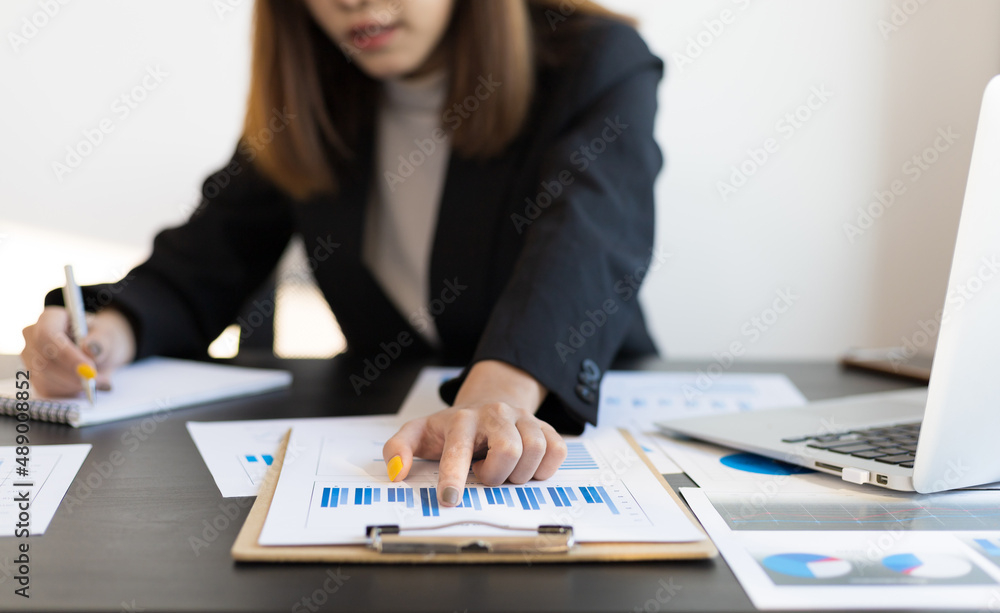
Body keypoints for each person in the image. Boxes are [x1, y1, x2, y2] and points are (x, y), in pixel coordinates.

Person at [21, 0, 663, 507]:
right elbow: (205, 260)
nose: (351, 2)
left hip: (576, 420)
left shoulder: (591, 58)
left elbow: (588, 237)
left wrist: (494, 399)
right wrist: (107, 332)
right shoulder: (319, 92)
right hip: (388, 435)